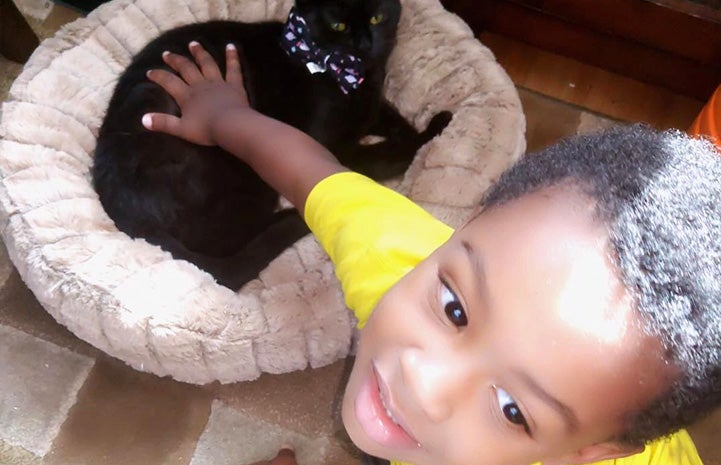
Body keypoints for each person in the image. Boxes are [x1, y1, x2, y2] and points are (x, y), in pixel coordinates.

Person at [140, 42, 721, 465]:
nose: (423, 381)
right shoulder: (401, 257)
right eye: (455, 310)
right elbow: (315, 177)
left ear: (589, 452)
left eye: (513, 409)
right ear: (463, 232)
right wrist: (224, 115)